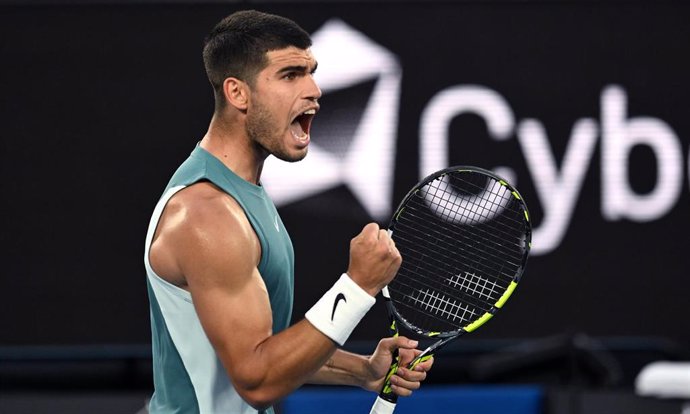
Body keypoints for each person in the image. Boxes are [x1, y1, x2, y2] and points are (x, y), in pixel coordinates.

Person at [143, 9, 433, 414]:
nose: (314, 89)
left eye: (311, 71)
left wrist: (361, 370)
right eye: (290, 74)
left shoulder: (242, 193)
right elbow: (258, 380)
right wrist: (357, 287)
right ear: (237, 93)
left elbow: (265, 343)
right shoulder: (207, 215)